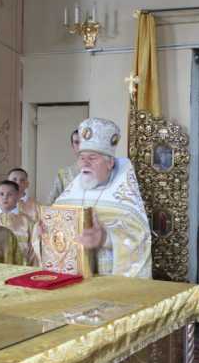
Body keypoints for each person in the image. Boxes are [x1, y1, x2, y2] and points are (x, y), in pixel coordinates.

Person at [42, 118, 152, 278]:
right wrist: (42, 230)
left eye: (92, 158)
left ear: (110, 163)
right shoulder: (71, 193)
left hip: (109, 285)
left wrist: (105, 239)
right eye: (82, 158)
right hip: (70, 280)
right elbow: (53, 229)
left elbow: (140, 239)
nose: (85, 163)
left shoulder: (125, 198)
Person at [0, 180, 38, 266]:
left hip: (21, 266)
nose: (5, 197)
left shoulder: (27, 222)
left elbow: (33, 251)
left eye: (10, 194)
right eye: (1, 194)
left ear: (18, 196)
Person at [47, 129, 81, 204]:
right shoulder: (63, 174)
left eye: (84, 142)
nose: (81, 146)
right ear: (73, 146)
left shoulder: (102, 173)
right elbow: (51, 202)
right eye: (77, 142)